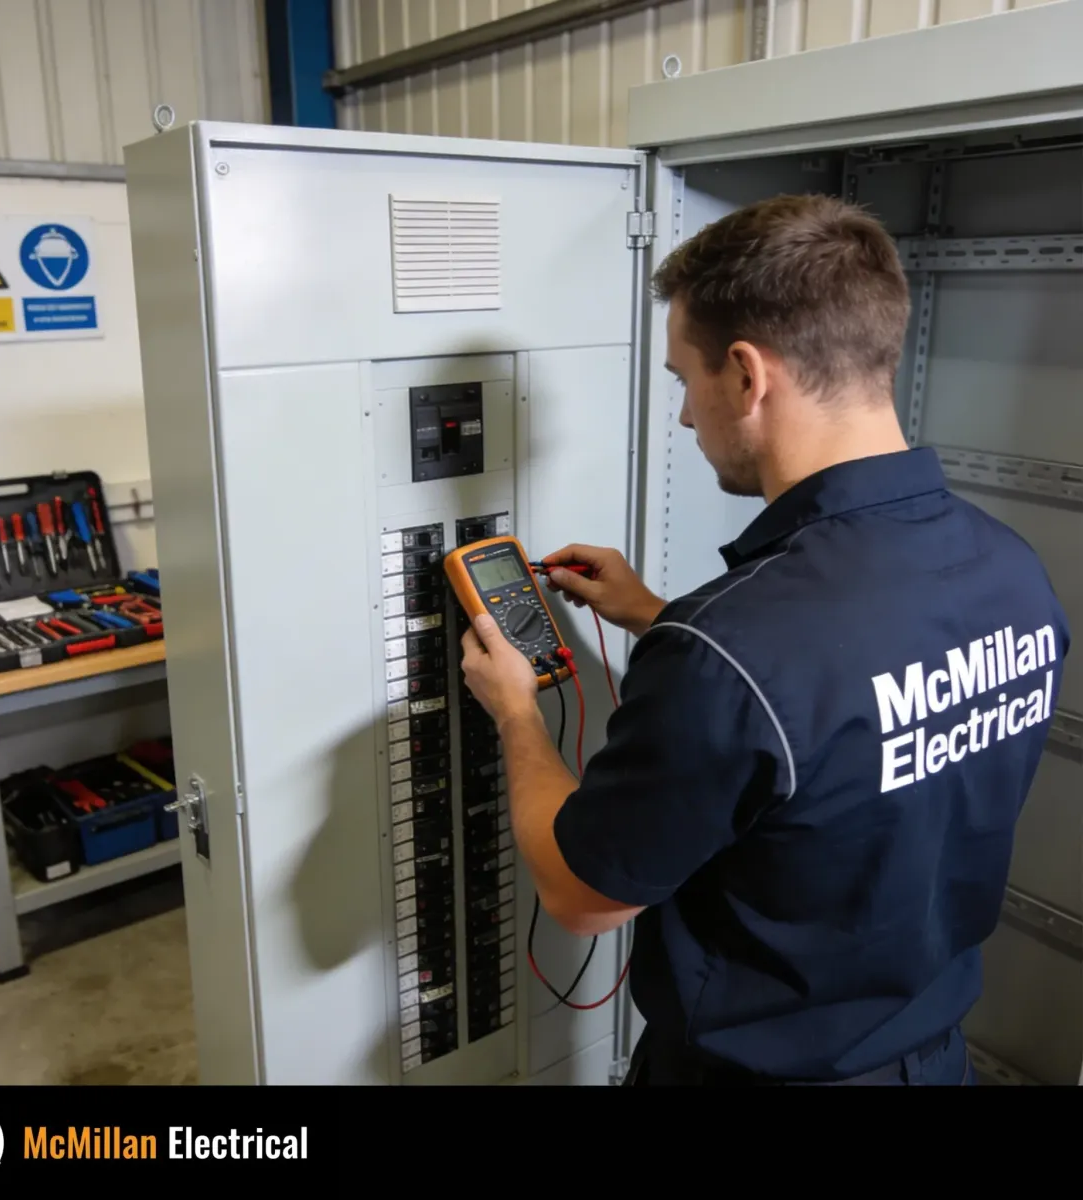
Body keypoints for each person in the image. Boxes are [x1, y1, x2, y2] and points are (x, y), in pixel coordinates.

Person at [459, 194, 1071, 1086]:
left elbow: (584, 895)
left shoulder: (732, 652)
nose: (681, 419)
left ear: (747, 376)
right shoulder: (1013, 573)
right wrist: (655, 613)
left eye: (683, 381)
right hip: (933, 1063)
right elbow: (842, 712)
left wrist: (516, 711)